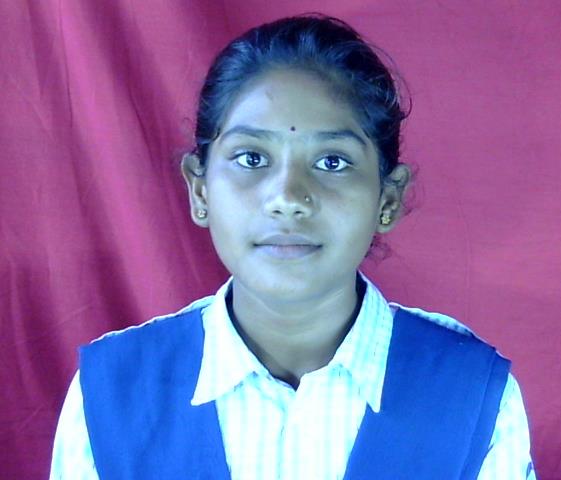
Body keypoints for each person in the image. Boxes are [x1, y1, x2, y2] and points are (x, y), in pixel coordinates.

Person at [50, 14, 536, 479]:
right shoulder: (112, 394)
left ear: (387, 199)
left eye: (332, 162)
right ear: (200, 191)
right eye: (251, 158)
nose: (286, 197)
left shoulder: (471, 395)